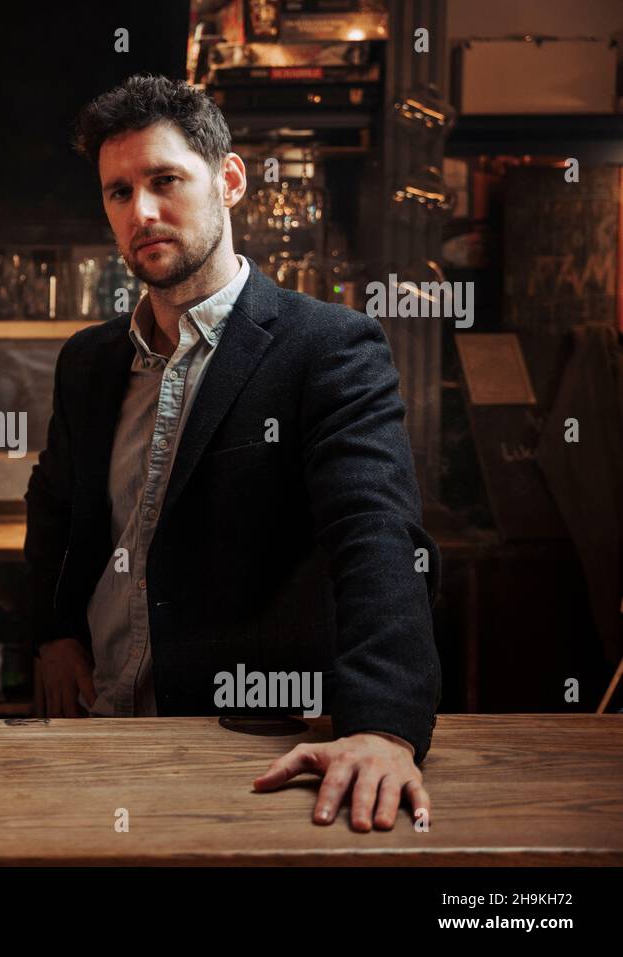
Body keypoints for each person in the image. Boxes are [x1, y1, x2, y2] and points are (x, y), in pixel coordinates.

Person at [26, 75, 441, 831]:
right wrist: (53, 630)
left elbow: (377, 538)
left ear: (230, 179)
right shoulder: (88, 361)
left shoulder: (328, 347)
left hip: (237, 749)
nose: (141, 212)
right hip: (92, 731)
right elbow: (55, 507)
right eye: (119, 193)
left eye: (164, 181)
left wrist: (382, 724)